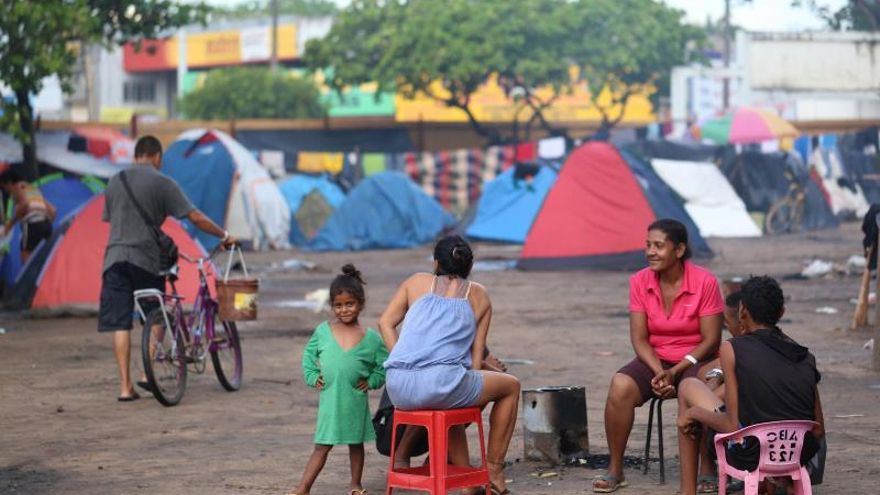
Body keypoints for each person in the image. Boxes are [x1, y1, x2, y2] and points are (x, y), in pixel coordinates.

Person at [378, 235, 520, 494]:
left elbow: (385, 323)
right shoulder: (479, 294)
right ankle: (495, 470)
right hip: (442, 383)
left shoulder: (415, 282)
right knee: (510, 386)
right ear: (469, 267)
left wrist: (403, 358)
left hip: (398, 384)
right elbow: (476, 358)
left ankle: (468, 484)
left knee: (453, 394)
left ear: (436, 264)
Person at [99, 135, 235, 401]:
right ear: (157, 157)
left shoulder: (115, 181)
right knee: (158, 315)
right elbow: (194, 216)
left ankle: (125, 388)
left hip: (113, 260)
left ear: (136, 155)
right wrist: (223, 235)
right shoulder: (162, 182)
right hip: (146, 259)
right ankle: (145, 373)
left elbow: (110, 219)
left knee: (120, 324)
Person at [593, 219, 724, 493]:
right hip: (655, 360)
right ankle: (615, 468)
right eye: (648, 245)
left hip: (696, 359)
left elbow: (712, 340)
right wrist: (658, 371)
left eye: (658, 246)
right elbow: (639, 338)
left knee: (699, 388)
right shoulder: (640, 280)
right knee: (620, 385)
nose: (651, 252)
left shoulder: (705, 282)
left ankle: (707, 469)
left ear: (679, 250)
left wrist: (675, 370)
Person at [677, 276, 825, 495]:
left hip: (751, 452)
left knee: (688, 386)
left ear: (742, 311)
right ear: (782, 312)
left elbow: (730, 426)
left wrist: (694, 413)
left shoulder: (732, 348)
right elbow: (819, 428)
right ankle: (774, 482)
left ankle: (688, 491)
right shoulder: (805, 355)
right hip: (799, 452)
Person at [290, 264, 388, 495]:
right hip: (330, 401)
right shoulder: (323, 331)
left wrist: (373, 380)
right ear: (332, 306)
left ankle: (356, 485)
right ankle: (303, 487)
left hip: (354, 400)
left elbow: (385, 363)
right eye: (338, 305)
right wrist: (312, 376)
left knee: (356, 444)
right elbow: (308, 355)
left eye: (350, 304)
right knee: (322, 446)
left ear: (360, 304)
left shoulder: (371, 338)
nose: (344, 310)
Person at [0, 169, 57, 262]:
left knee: (25, 255)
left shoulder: (16, 187)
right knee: (45, 256)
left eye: (4, 187)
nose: (6, 191)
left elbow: (25, 204)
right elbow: (53, 210)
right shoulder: (33, 189)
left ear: (9, 183)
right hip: (46, 224)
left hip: (32, 224)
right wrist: (43, 223)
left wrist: (10, 224)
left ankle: (28, 276)